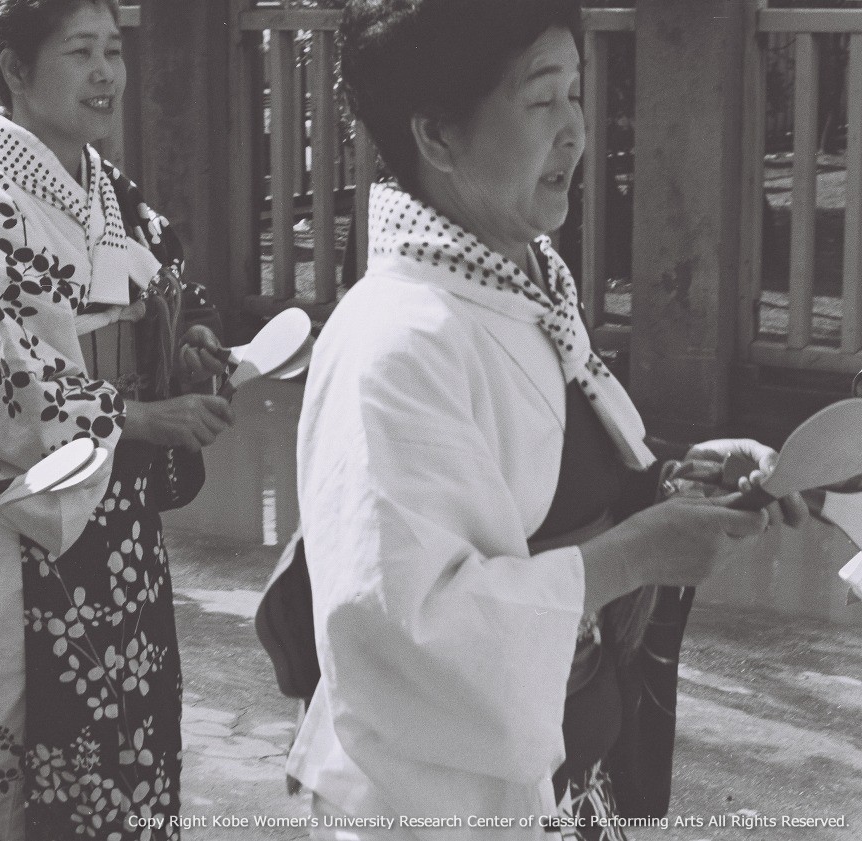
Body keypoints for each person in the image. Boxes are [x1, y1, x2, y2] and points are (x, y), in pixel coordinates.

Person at [291, 1, 805, 839]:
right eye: (540, 99)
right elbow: (405, 632)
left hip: (566, 781)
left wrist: (682, 481)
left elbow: (564, 485)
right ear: (438, 135)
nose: (575, 130)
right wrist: (639, 552)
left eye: (576, 91)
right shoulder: (396, 341)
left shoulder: (518, 285)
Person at [0, 0, 233, 836]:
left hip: (119, 517)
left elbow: (165, 280)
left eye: (113, 51)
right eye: (80, 52)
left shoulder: (105, 185)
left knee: (129, 730)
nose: (105, 74)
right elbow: (13, 382)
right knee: (17, 740)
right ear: (15, 69)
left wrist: (186, 339)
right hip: (31, 517)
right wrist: (142, 416)